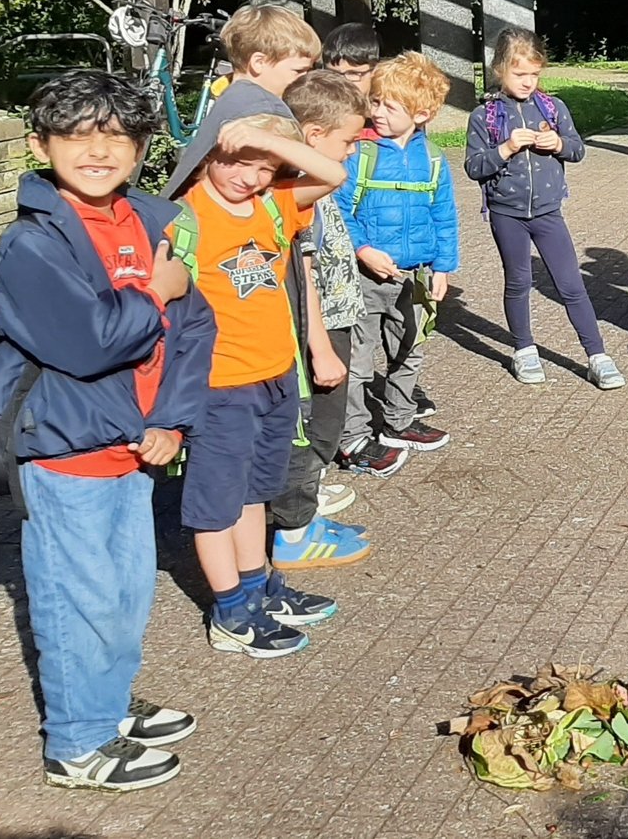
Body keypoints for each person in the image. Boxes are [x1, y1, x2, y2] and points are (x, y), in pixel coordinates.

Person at [0, 71, 215, 790]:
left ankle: (105, 702)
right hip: (67, 450)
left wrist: (172, 418)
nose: (98, 151)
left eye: (116, 136)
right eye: (76, 135)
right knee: (77, 597)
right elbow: (88, 342)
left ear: (141, 148)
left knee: (126, 593)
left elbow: (194, 327)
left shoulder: (152, 221)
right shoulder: (32, 244)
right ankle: (77, 743)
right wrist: (156, 291)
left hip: (134, 446)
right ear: (40, 144)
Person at [170, 111, 346, 656]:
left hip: (275, 377)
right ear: (208, 155)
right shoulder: (183, 218)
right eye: (236, 162)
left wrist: (267, 142)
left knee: (253, 494)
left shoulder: (273, 204)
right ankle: (229, 609)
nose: (249, 177)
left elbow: (334, 173)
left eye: (265, 167)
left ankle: (256, 585)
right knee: (217, 502)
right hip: (220, 386)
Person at [466, 27, 626, 389]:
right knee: (518, 281)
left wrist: (558, 144)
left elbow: (578, 149)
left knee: (571, 283)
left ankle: (597, 355)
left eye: (534, 74)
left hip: (548, 212)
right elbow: (474, 167)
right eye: (519, 73)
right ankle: (524, 350)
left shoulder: (552, 107)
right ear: (499, 70)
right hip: (506, 213)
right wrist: (505, 148)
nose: (528, 81)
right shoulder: (484, 116)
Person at [267, 70, 382, 571]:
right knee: (313, 428)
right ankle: (293, 533)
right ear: (313, 137)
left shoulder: (308, 183)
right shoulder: (300, 187)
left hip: (335, 317)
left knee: (325, 426)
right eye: (348, 141)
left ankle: (305, 516)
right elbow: (305, 273)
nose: (353, 151)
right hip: (318, 327)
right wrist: (319, 348)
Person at [336, 52, 459, 472]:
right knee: (358, 359)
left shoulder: (434, 159)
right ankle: (352, 436)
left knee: (409, 350)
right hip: (364, 277)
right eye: (375, 102)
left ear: (421, 114)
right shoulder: (360, 152)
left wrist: (443, 268)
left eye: (390, 106)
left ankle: (399, 421)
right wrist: (363, 250)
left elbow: (444, 216)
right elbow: (339, 209)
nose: (377, 112)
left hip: (415, 276)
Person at [159, 4, 319, 199]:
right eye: (299, 71)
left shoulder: (232, 95)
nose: (304, 79)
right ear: (259, 62)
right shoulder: (267, 110)